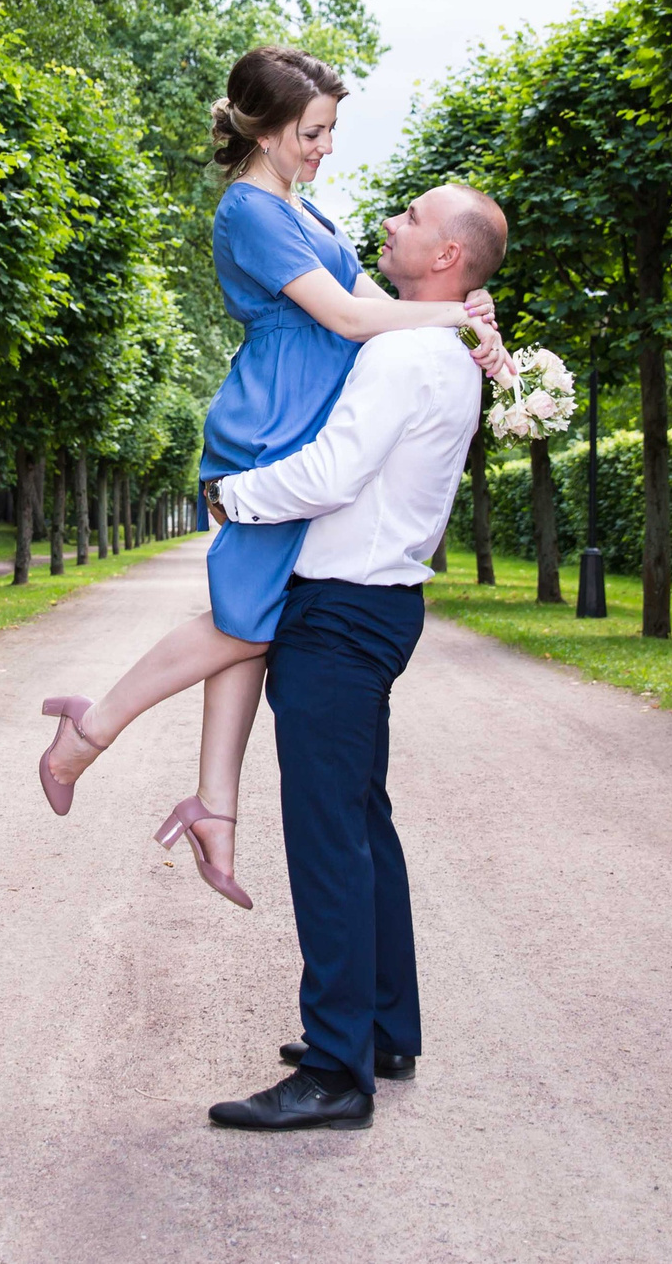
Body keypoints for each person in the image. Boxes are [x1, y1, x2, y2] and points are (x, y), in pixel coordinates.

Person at [34, 48, 502, 909]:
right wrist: (456, 316)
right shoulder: (249, 210)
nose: (326, 146)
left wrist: (469, 317)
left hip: (297, 421)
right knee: (250, 622)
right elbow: (353, 315)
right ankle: (88, 732)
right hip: (269, 431)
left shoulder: (299, 202)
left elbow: (375, 295)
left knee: (253, 618)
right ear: (269, 127)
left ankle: (216, 806)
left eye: (330, 131)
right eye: (314, 131)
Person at [201, 181, 505, 1131]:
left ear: (448, 256)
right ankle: (382, 1028)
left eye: (412, 219)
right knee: (364, 824)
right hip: (380, 607)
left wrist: (232, 497)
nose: (390, 224)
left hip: (339, 613)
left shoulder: (405, 351)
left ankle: (337, 1070)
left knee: (330, 836)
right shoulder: (440, 343)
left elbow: (332, 472)